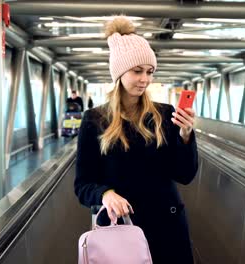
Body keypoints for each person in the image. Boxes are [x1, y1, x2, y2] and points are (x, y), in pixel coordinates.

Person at [74, 16, 198, 264]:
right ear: (119, 73)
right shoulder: (95, 119)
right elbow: (83, 183)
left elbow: (184, 174)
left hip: (168, 228)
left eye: (150, 72)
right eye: (137, 71)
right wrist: (105, 193)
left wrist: (185, 136)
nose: (145, 79)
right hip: (122, 230)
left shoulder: (165, 114)